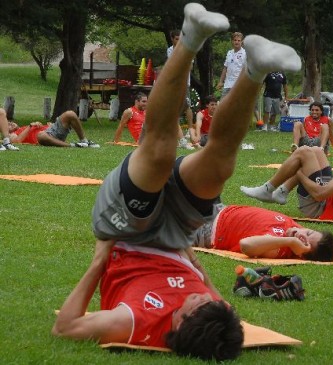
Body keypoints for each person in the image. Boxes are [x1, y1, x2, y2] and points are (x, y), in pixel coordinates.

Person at [52, 3, 302, 360]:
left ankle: (190, 36)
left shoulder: (137, 322)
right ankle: (256, 68)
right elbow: (227, 311)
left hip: (125, 232)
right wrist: (199, 272)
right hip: (178, 234)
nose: (199, 293)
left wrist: (99, 261)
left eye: (194, 302)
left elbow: (65, 328)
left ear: (179, 323)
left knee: (159, 152)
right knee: (219, 164)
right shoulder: (216, 317)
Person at [241, 128, 333, 223]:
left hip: (320, 208)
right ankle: (282, 191)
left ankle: (267, 190)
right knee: (317, 150)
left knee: (303, 152)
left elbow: (319, 195)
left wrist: (300, 173)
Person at [193, 205, 333, 261]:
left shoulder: (279, 249)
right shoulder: (300, 234)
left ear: (302, 252)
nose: (302, 233)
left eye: (305, 240)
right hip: (218, 208)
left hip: (203, 228)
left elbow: (246, 246)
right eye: (309, 232)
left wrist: (290, 240)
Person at [8, 110, 99, 147]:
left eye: (10, 122)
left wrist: (50, 126)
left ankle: (84, 141)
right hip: (44, 138)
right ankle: (72, 145)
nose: (10, 123)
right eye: (8, 125)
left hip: (53, 131)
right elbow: (17, 142)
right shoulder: (12, 134)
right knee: (41, 135)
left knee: (70, 114)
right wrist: (30, 126)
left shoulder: (22, 127)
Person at [167, 29, 195, 132]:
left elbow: (190, 66)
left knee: (186, 105)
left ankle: (190, 128)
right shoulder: (169, 50)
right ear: (172, 39)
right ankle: (175, 129)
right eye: (177, 39)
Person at [217, 31, 246, 100]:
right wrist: (221, 81)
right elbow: (225, 68)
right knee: (223, 105)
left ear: (242, 42)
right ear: (232, 41)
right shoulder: (229, 53)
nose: (237, 42)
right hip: (228, 84)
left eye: (239, 40)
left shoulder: (245, 53)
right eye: (235, 40)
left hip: (238, 85)